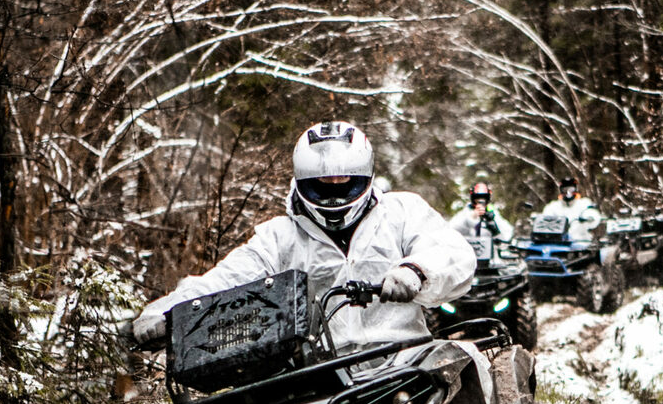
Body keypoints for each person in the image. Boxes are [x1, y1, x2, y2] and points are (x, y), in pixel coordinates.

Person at [127, 121, 476, 353]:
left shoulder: (402, 212)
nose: (336, 197)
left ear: (366, 178)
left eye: (346, 184)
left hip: (405, 356)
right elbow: (223, 280)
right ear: (301, 182)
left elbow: (451, 251)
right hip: (319, 371)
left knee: (464, 362)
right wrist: (166, 313)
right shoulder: (279, 237)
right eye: (323, 187)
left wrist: (415, 271)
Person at [539, 176, 603, 241]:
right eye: (565, 190)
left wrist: (589, 217)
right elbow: (546, 217)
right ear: (561, 191)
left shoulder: (584, 203)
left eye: (571, 189)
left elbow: (591, 213)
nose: (568, 192)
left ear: (575, 190)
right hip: (558, 241)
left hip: (580, 240)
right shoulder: (553, 206)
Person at [449, 181, 513, 242]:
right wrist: (471, 218)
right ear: (473, 199)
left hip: (488, 250)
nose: (480, 201)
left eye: (484, 198)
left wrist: (494, 227)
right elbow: (451, 230)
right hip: (469, 250)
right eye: (477, 198)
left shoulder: (493, 213)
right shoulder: (466, 212)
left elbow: (507, 235)